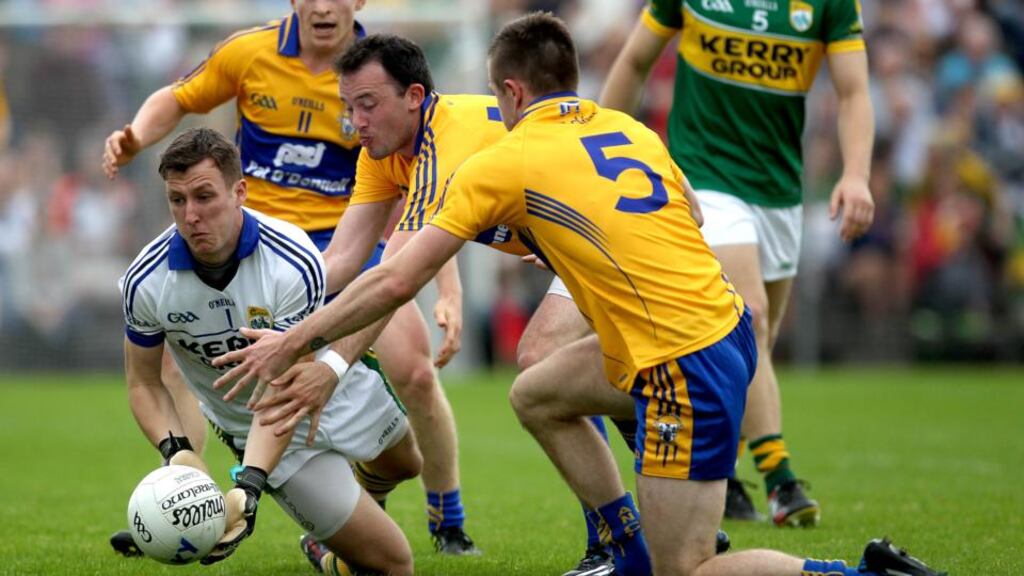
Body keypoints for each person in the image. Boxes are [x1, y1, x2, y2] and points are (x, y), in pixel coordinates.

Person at [209, 12, 943, 576]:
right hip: (708, 326)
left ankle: (857, 571)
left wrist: (303, 345)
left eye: (366, 105)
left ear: (511, 92)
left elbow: (396, 276)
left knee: (686, 567)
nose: (354, 121)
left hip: (681, 358)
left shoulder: (495, 157)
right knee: (537, 390)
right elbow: (686, 210)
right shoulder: (624, 125)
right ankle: (622, 542)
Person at [102, 0, 479, 554]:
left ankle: (447, 517)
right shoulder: (249, 53)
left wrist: (448, 287)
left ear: (359, 2)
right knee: (176, 356)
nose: (323, 6)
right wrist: (135, 134)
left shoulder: (378, 77)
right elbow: (176, 99)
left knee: (416, 372)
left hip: (341, 251)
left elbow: (425, 189)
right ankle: (190, 506)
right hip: (245, 246)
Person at [588, 0, 877, 525]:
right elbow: (633, 63)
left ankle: (727, 476)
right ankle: (781, 479)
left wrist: (856, 173)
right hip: (704, 178)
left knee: (753, 346)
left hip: (780, 191)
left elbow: (854, 91)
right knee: (753, 315)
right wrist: (600, 151)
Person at [119, 127, 419, 574]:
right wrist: (181, 451)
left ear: (239, 191)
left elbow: (289, 382)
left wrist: (248, 486)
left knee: (406, 464)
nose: (191, 215)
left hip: (332, 388)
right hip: (266, 431)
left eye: (204, 197)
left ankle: (341, 527)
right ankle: (336, 551)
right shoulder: (145, 280)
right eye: (177, 201)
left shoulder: (293, 259)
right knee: (395, 564)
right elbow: (144, 382)